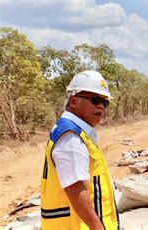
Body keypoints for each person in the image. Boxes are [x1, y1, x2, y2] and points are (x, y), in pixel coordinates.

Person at [40, 70, 119, 229]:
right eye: (95, 100)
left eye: (105, 103)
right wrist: (97, 227)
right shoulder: (71, 136)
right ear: (74, 101)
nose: (101, 107)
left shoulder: (76, 132)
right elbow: (74, 188)